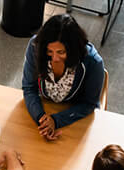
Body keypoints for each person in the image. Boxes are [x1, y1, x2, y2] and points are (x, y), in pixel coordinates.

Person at [22, 13, 105, 141]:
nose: (54, 59)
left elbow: (89, 104)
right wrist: (41, 119)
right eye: (50, 51)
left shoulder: (93, 63)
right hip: (45, 108)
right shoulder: (35, 47)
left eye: (61, 52)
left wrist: (56, 121)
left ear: (73, 49)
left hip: (75, 115)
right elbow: (29, 88)